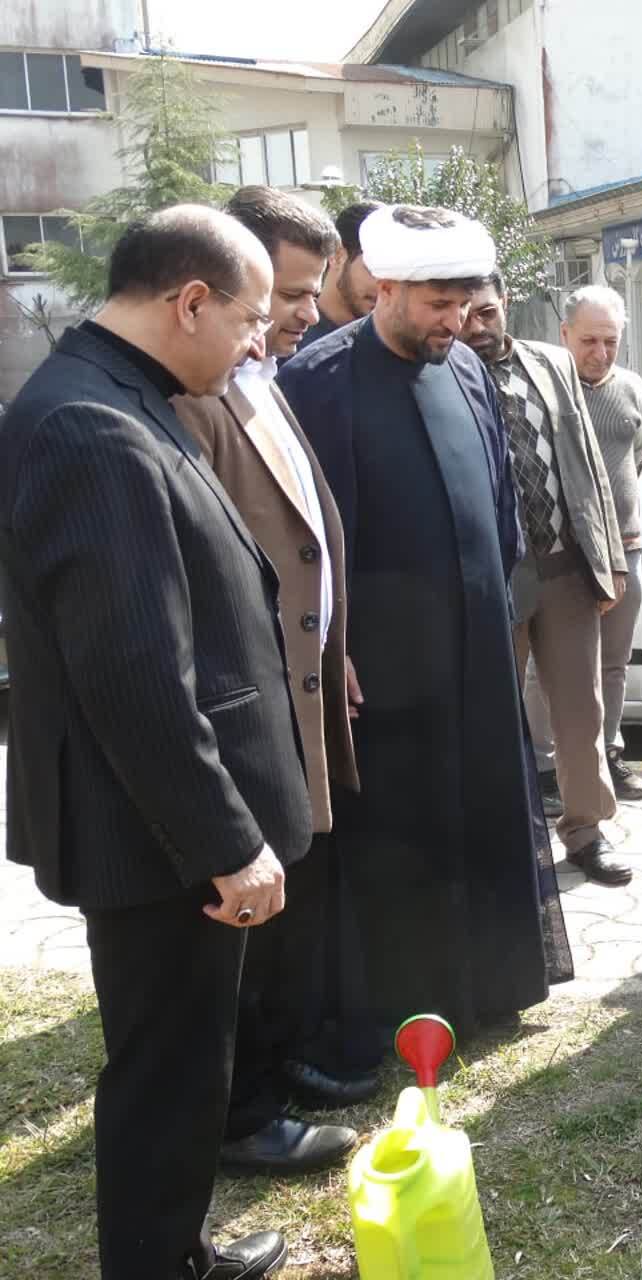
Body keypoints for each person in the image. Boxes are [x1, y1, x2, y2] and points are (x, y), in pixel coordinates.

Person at [0, 205, 311, 1278]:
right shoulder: (91, 426)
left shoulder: (121, 393)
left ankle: (174, 1246)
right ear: (188, 301)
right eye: (249, 319)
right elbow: (136, 674)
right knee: (165, 1063)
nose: (256, 342)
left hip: (157, 817)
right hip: (155, 828)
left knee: (181, 1052)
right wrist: (227, 840)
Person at [276, 205, 573, 1055]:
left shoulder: (470, 370)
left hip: (478, 646)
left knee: (484, 808)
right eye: (437, 305)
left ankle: (493, 985)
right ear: (386, 287)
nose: (454, 323)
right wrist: (333, 649)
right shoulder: (319, 380)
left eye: (466, 303)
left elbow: (500, 499)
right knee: (401, 838)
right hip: (382, 666)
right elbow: (301, 541)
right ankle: (400, 1010)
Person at [170, 187, 367, 1176]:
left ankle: (283, 1059)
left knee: (296, 889)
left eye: (307, 291)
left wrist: (335, 649)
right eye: (284, 293)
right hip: (243, 699)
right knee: (245, 907)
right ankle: (242, 1111)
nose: (298, 312)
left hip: (303, 679)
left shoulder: (263, 371)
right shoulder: (192, 393)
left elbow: (297, 527)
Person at [460, 272, 632, 886]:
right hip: (489, 577)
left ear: (504, 304)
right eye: (463, 313)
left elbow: (587, 458)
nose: (474, 327)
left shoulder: (552, 364)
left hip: (564, 569)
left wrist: (608, 559)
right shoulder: (446, 371)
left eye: (485, 312)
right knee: (491, 713)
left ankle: (586, 830)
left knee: (581, 710)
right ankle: (498, 835)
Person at [562, 285, 642, 809]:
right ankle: (548, 766)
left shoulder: (634, 390)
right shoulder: (550, 390)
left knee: (613, 664)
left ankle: (610, 754)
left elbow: (637, 459)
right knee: (549, 668)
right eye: (589, 341)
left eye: (611, 342)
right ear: (565, 336)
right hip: (562, 553)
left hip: (627, 550)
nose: (600, 353)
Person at [296, 200, 380, 349]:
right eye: (375, 270)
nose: (384, 287)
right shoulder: (291, 338)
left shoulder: (394, 345)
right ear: (337, 256)